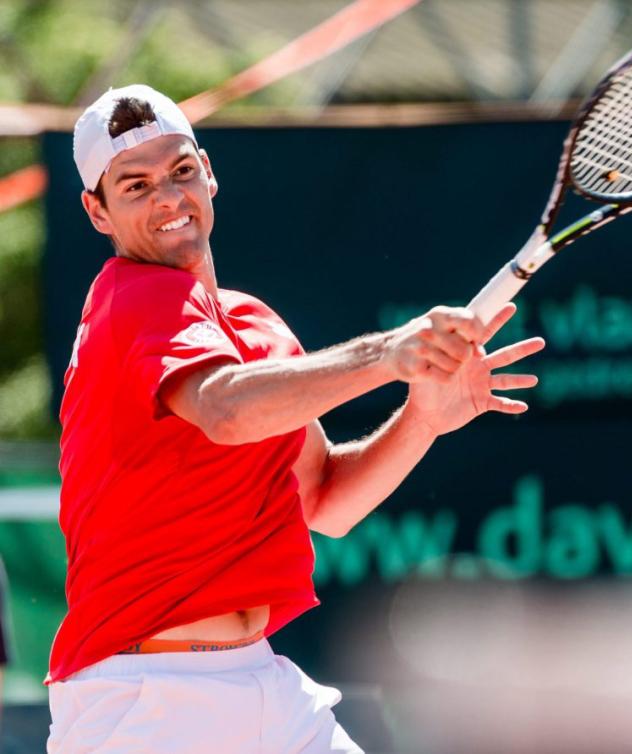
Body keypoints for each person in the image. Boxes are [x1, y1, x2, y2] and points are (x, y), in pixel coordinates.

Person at [46, 84, 544, 752]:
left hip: (265, 684)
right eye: (135, 186)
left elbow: (327, 499)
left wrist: (421, 416)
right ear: (96, 211)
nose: (168, 197)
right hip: (146, 699)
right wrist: (387, 352)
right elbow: (223, 409)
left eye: (180, 171)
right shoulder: (128, 299)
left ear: (208, 172)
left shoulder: (253, 324)